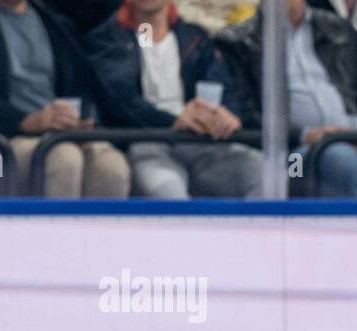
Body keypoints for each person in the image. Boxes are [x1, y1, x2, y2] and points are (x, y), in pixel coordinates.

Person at [216, 0, 357, 197]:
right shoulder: (236, 41)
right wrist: (307, 135)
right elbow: (246, 115)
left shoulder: (338, 28)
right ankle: (347, 245)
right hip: (293, 156)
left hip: (356, 141)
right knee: (339, 158)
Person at [0, 0, 130, 198]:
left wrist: (80, 120)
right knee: (64, 159)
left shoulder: (54, 22)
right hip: (3, 141)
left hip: (61, 133)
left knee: (112, 168)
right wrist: (23, 120)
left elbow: (80, 81)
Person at [88, 0, 261, 198]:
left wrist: (228, 115)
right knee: (169, 193)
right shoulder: (107, 39)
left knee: (264, 171)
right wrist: (174, 121)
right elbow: (121, 101)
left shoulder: (195, 36)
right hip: (147, 144)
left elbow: (222, 85)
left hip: (204, 142)